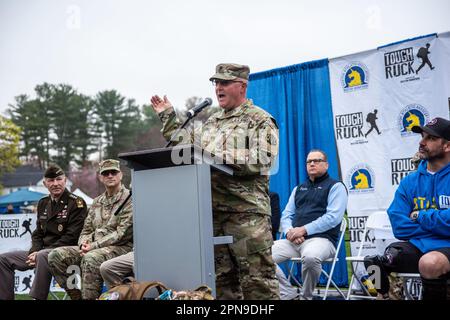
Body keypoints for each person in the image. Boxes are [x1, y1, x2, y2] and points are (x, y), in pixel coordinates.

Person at [151, 63, 280, 300]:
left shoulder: (260, 119)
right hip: (211, 215)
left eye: (224, 83)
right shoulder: (212, 122)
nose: (218, 88)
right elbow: (187, 148)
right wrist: (169, 118)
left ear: (241, 86)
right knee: (221, 285)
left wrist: (219, 157)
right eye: (216, 83)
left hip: (246, 216)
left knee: (258, 284)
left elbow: (265, 159)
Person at [364, 117, 450, 300]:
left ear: (447, 146)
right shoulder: (410, 181)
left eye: (431, 138)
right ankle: (385, 296)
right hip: (419, 246)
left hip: (446, 247)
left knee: (430, 262)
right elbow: (399, 224)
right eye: (422, 136)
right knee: (376, 262)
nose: (422, 142)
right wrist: (438, 222)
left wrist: (420, 216)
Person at [48, 159, 133, 300]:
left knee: (91, 258)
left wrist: (92, 246)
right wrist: (82, 244)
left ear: (121, 175)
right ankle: (76, 296)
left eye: (113, 172)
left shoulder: (129, 199)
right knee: (56, 255)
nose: (110, 176)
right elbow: (86, 229)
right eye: (106, 173)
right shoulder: (97, 202)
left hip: (122, 248)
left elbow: (122, 234)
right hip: (93, 248)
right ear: (100, 177)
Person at [0, 164, 87, 300]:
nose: (55, 184)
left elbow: (72, 236)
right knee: (3, 259)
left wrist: (41, 252)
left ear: (65, 180)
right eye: (51, 181)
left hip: (67, 251)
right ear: (45, 183)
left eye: (59, 179)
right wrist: (34, 251)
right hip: (42, 252)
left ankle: (38, 298)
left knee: (42, 256)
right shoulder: (43, 203)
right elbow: (38, 233)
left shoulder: (76, 203)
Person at [272, 149, 348, 300]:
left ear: (326, 165)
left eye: (317, 160)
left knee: (311, 257)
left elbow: (333, 218)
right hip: (294, 240)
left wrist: (304, 230)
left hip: (322, 240)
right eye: (309, 161)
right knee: (261, 255)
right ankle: (287, 292)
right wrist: (289, 232)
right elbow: (287, 215)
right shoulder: (299, 189)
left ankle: (306, 297)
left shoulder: (336, 187)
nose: (312, 163)